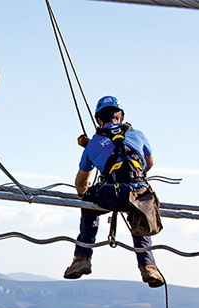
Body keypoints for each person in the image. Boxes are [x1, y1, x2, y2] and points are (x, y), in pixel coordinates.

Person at [64, 95, 164, 288]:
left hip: (111, 193)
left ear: (99, 120)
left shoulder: (93, 143)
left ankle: (82, 258)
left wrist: (83, 195)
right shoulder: (138, 134)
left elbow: (81, 181)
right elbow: (149, 162)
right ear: (120, 117)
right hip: (138, 190)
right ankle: (148, 266)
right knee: (140, 212)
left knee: (89, 205)